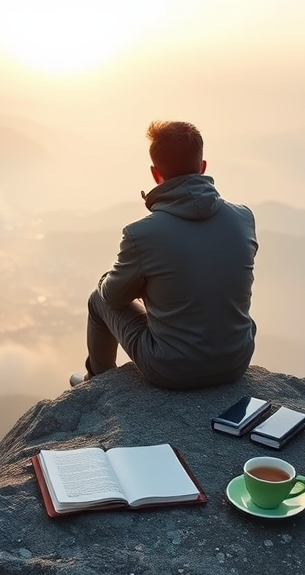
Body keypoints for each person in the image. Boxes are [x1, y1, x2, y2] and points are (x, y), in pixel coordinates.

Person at [71, 120, 258, 390]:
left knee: (98, 298)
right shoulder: (243, 218)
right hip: (236, 361)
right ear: (203, 166)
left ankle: (96, 384)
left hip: (172, 371)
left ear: (156, 174)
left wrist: (124, 283)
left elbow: (113, 297)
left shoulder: (142, 234)